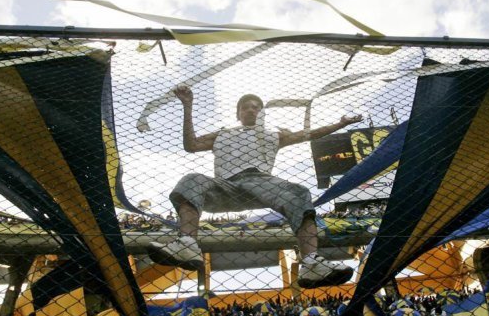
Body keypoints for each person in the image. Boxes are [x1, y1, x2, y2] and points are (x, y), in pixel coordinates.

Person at [147, 84, 362, 288]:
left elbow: (310, 134)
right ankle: (186, 244)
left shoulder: (275, 135)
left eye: (257, 107)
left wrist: (340, 124)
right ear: (238, 113)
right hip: (225, 186)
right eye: (246, 107)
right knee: (192, 179)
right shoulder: (222, 134)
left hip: (262, 183)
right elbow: (191, 145)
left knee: (299, 192)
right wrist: (187, 106)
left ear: (263, 114)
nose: (252, 110)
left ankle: (311, 263)